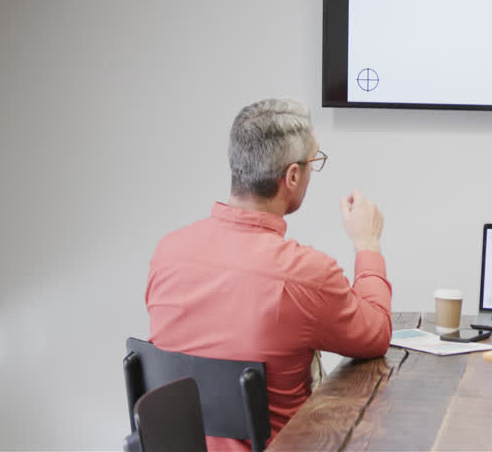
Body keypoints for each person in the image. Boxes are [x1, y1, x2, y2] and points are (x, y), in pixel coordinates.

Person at [145, 98, 392, 451]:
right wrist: (367, 244)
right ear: (292, 176)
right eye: (314, 162)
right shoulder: (306, 275)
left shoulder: (168, 253)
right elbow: (376, 334)